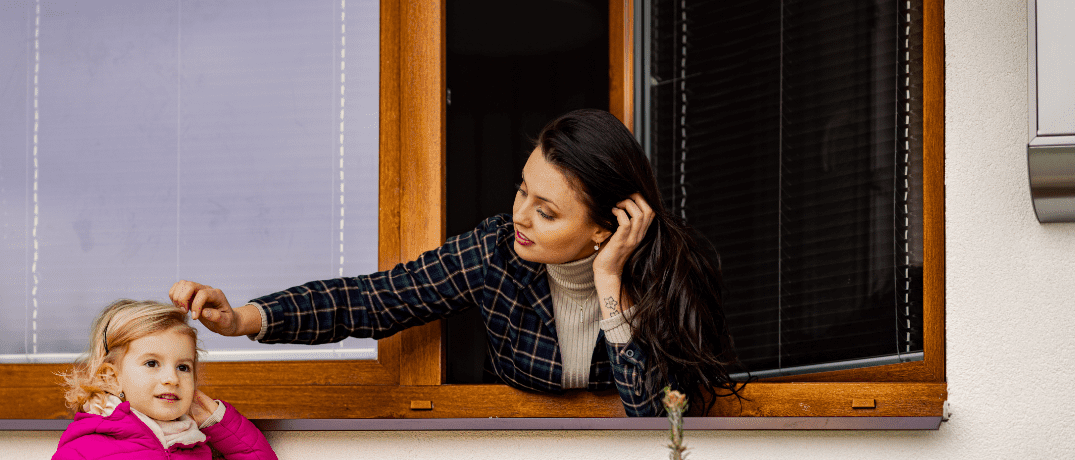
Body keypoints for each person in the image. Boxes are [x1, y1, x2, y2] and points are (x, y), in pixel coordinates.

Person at [170, 108, 741, 417]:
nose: (520, 215)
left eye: (546, 211)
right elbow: (376, 298)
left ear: (604, 227)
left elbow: (654, 419)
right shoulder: (497, 253)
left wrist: (610, 283)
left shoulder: (670, 275)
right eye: (522, 191)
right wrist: (243, 318)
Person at [33, 300, 285, 460]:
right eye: (152, 363)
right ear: (112, 377)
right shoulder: (87, 453)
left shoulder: (195, 455)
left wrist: (217, 421)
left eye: (183, 367)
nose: (171, 379)